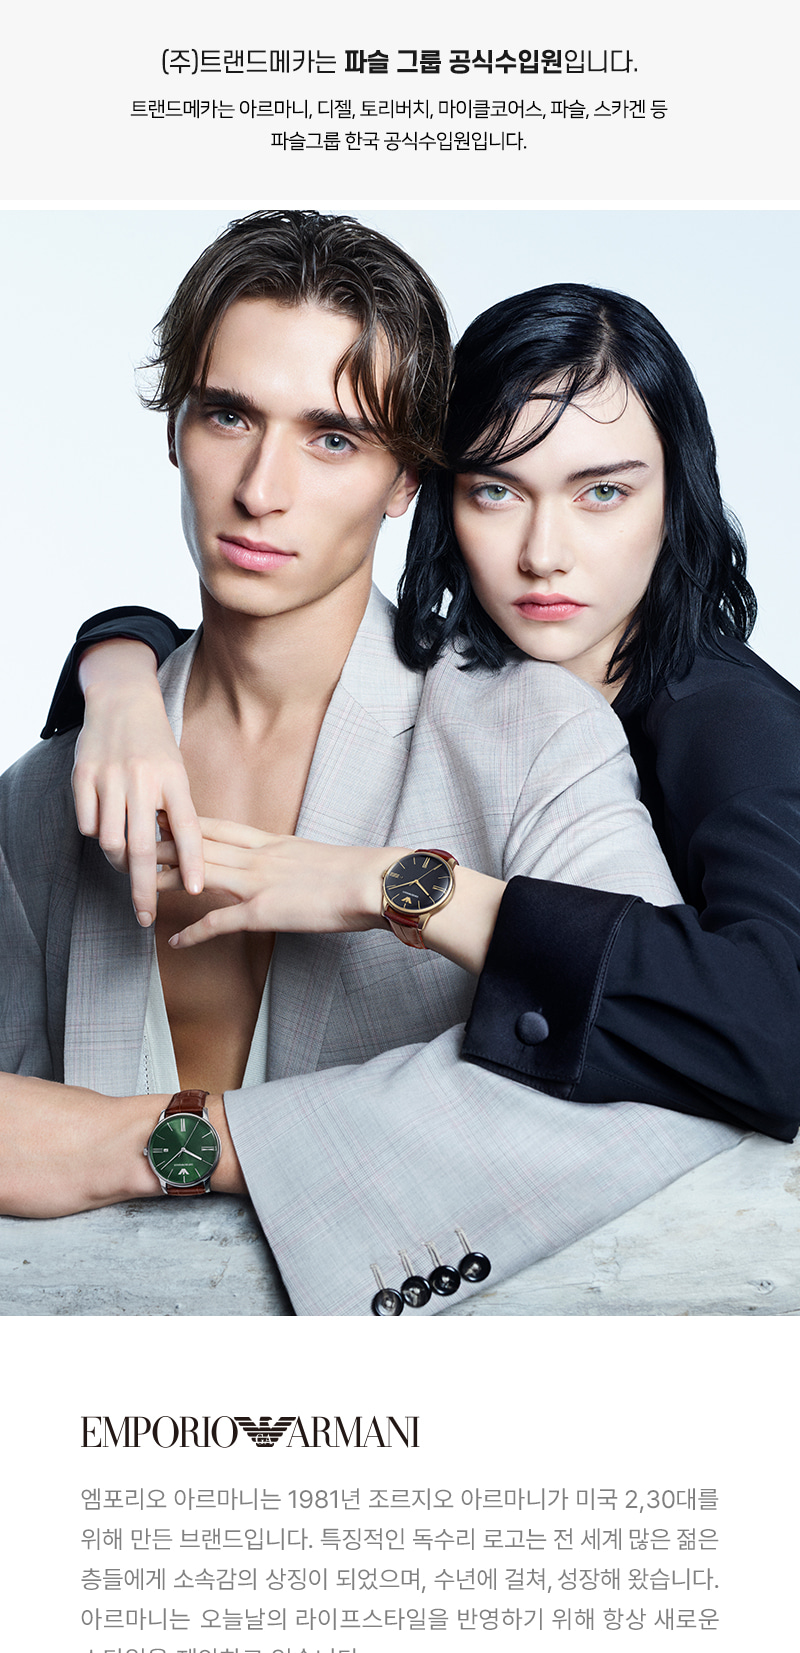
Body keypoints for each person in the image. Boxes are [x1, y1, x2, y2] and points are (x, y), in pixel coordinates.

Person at [2, 214, 741, 1318]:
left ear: (406, 481)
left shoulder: (529, 737)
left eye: (334, 438)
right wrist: (113, 670)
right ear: (176, 429)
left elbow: (661, 1075)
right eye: (229, 414)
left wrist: (152, 1141)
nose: (262, 487)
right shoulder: (40, 800)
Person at [56, 280, 800, 1151]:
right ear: (434, 491)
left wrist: (396, 887)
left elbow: (778, 1037)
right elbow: (248, 642)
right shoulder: (472, 682)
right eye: (497, 491)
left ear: (676, 497)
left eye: (602, 493)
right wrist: (118, 675)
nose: (544, 554)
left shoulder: (735, 725)